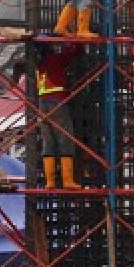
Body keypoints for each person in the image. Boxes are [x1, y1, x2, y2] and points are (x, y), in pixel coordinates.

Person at [37, 42, 83, 190]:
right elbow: (76, 51)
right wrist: (70, 38)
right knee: (65, 139)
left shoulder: (38, 63)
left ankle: (49, 182)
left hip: (41, 104)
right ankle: (67, 180)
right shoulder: (55, 59)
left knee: (48, 141)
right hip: (56, 102)